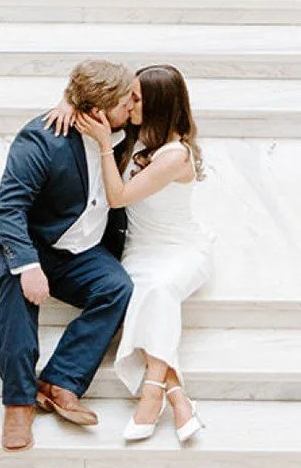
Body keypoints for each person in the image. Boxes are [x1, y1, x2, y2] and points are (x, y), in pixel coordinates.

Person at [0, 59, 138, 452]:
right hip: (26, 242)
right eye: (126, 103)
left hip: (78, 249)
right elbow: (9, 210)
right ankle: (18, 401)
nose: (132, 107)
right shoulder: (41, 140)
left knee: (118, 288)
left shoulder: (123, 130)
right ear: (99, 111)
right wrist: (28, 265)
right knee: (14, 290)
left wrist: (70, 97)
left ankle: (61, 379)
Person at [65, 64, 212, 444]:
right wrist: (67, 103)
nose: (127, 103)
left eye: (136, 98)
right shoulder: (134, 135)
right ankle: (179, 398)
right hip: (138, 251)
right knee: (146, 293)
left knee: (159, 291)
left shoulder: (175, 156)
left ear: (159, 106)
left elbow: (118, 197)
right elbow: (87, 91)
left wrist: (101, 146)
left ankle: (151, 393)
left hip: (179, 250)